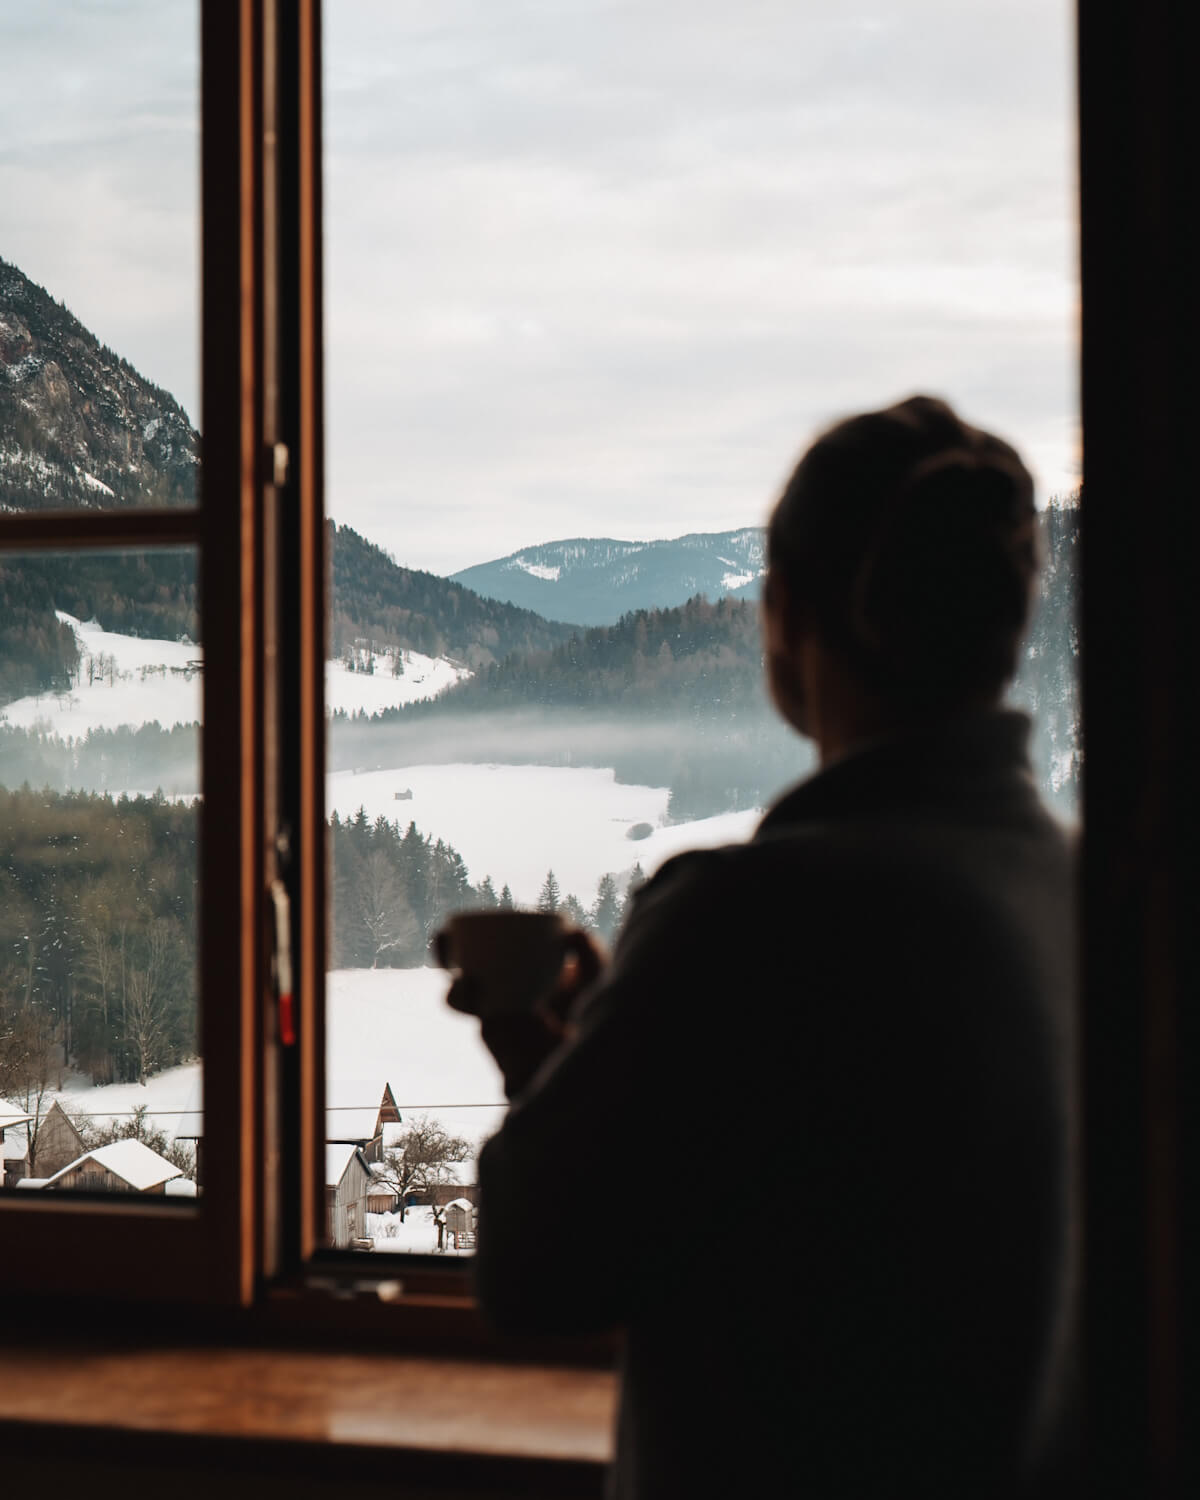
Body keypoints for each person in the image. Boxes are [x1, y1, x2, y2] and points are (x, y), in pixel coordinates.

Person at [470, 396, 1077, 1498]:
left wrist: (547, 1058)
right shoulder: (1101, 900)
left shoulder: (737, 922)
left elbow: (534, 1270)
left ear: (787, 616)